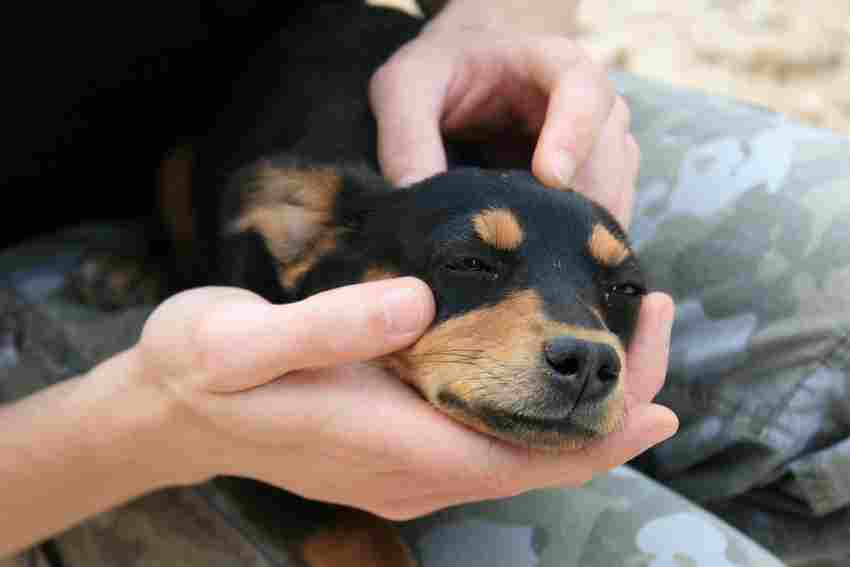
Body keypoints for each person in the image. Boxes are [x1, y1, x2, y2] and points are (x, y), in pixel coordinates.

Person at [0, 0, 679, 560]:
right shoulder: (286, 216)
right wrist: (169, 423)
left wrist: (508, 24)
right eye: (472, 264)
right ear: (305, 238)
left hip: (421, 83)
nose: (584, 344)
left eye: (616, 287)